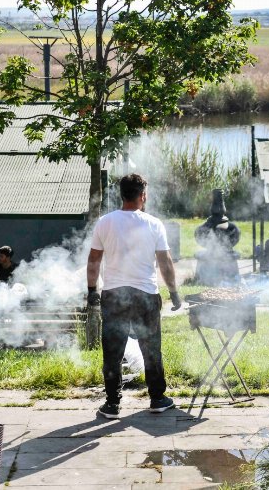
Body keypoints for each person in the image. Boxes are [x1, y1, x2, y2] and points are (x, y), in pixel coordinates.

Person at [86, 173, 182, 419]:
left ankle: (112, 404)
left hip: (114, 294)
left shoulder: (105, 222)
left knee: (112, 353)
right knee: (151, 349)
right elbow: (165, 263)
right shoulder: (153, 224)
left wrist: (91, 291)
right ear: (143, 196)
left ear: (122, 195)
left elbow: (94, 260)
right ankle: (158, 399)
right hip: (145, 296)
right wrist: (173, 292)